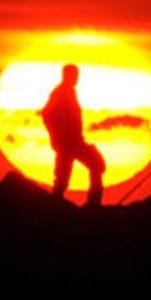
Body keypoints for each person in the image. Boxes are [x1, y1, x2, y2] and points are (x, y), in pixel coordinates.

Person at [41, 64, 105, 207]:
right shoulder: (60, 92)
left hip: (74, 141)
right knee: (91, 166)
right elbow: (46, 114)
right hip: (68, 143)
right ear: (67, 75)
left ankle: (92, 203)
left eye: (77, 75)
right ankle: (91, 204)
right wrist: (56, 136)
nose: (77, 79)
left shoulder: (68, 92)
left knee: (95, 165)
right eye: (75, 75)